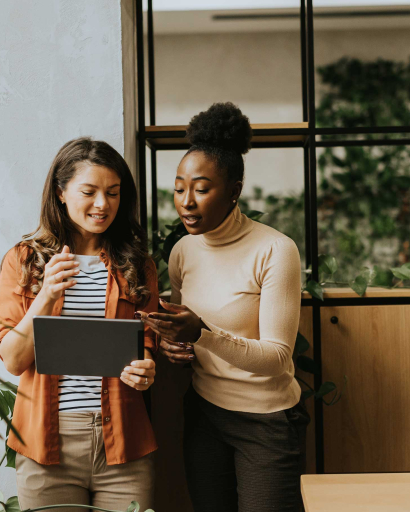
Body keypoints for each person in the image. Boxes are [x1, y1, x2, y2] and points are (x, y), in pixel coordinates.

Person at [137, 103, 310, 512]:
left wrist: (201, 334)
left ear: (234, 191)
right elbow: (191, 338)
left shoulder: (275, 250)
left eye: (202, 188)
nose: (187, 202)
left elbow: (277, 358)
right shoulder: (182, 251)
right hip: (204, 413)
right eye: (179, 188)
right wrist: (177, 347)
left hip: (266, 422)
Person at [0, 137, 158, 512]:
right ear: (61, 192)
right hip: (47, 446)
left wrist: (146, 370)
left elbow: (146, 344)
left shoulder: (137, 265)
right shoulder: (25, 261)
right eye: (89, 191)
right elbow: (13, 360)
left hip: (125, 446)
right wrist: (46, 294)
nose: (102, 204)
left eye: (113, 193)